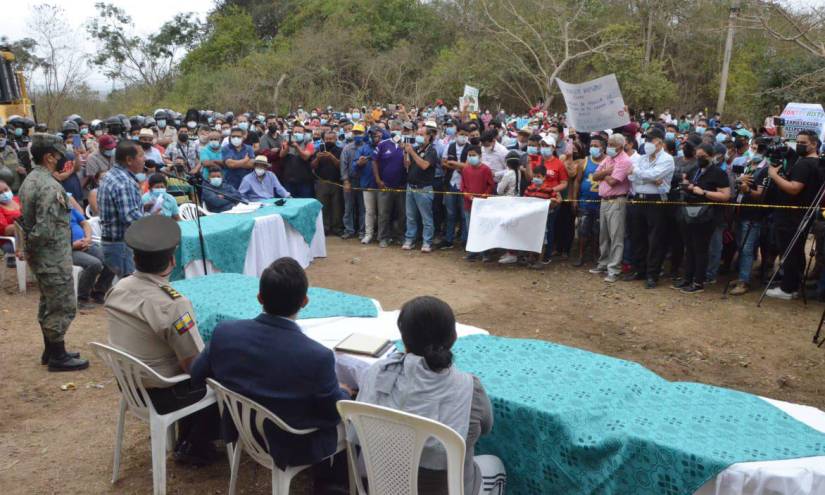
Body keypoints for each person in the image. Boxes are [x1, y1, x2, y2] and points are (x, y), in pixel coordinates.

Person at [190, 258, 352, 483]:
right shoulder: (317, 356)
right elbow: (333, 413)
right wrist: (344, 392)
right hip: (291, 442)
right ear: (305, 301)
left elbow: (196, 373)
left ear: (259, 298)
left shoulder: (224, 333)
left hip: (242, 429)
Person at [357, 296, 506, 495]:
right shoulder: (470, 388)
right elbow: (487, 427)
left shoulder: (376, 373)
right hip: (448, 489)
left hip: (381, 486)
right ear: (453, 337)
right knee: (494, 464)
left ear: (404, 338)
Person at [106, 216, 219, 465]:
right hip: (164, 392)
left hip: (129, 385)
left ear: (135, 258)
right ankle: (196, 444)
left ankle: (188, 438)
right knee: (222, 376)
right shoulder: (174, 304)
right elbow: (193, 366)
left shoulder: (119, 288)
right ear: (172, 260)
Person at [17, 134, 89, 371]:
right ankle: (58, 356)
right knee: (62, 303)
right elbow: (45, 227)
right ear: (49, 157)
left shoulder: (32, 179)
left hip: (44, 255)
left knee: (48, 301)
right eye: (59, 156)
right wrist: (32, 249)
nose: (62, 159)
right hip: (52, 255)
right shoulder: (49, 186)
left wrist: (29, 249)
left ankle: (52, 349)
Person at [766, 129, 824, 299]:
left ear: (814, 144)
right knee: (796, 251)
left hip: (792, 215)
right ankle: (793, 285)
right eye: (797, 142)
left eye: (803, 143)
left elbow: (794, 188)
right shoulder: (816, 163)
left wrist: (774, 175)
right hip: (802, 213)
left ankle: (787, 288)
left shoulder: (805, 164)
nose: (799, 145)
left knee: (790, 251)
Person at [671, 143, 731, 294]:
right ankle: (687, 278)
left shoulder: (719, 173)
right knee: (689, 248)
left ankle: (698, 282)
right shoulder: (694, 170)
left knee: (701, 249)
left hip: (707, 216)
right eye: (698, 156)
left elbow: (725, 196)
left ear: (711, 156)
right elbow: (688, 183)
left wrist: (703, 192)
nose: (700, 159)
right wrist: (686, 186)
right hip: (689, 213)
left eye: (703, 157)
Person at [625, 127, 675, 288]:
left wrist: (643, 174)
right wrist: (646, 175)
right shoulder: (643, 158)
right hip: (639, 199)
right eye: (646, 140)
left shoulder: (667, 159)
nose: (647, 144)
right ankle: (639, 270)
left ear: (659, 142)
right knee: (637, 236)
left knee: (655, 239)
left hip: (656, 202)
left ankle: (652, 275)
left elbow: (654, 175)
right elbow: (632, 177)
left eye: (650, 140)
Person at [97, 140, 149, 277]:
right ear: (129, 160)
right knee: (129, 289)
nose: (145, 159)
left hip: (115, 244)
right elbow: (130, 217)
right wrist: (152, 225)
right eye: (141, 156)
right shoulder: (124, 182)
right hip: (122, 245)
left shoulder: (113, 174)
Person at [729, 141, 770, 296]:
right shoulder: (747, 165)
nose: (754, 151)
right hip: (739, 211)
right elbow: (736, 183)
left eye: (757, 149)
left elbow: (760, 195)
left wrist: (746, 189)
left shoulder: (765, 170)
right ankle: (741, 275)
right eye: (752, 148)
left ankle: (744, 281)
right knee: (740, 245)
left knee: (747, 248)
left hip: (753, 215)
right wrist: (739, 182)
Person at [590, 134, 631, 282]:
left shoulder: (624, 161)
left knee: (616, 236)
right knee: (604, 234)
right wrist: (607, 172)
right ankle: (603, 263)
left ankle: (614, 269)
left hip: (617, 201)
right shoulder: (608, 158)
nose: (609, 147)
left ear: (620, 146)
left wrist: (604, 174)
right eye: (609, 144)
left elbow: (614, 182)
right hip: (604, 200)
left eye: (612, 144)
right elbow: (594, 176)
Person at [403, 125, 440, 252]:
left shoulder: (432, 151)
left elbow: (424, 165)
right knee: (411, 216)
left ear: (429, 136)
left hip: (424, 189)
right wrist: (406, 153)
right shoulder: (416, 148)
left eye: (422, 134)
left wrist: (411, 153)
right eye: (417, 134)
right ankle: (410, 239)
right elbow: (406, 164)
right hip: (410, 187)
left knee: (426, 218)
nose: (419, 136)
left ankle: (427, 242)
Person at [69, 207, 113, 305]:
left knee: (112, 259)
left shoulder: (71, 210)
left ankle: (99, 291)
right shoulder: (51, 216)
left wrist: (88, 238)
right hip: (67, 250)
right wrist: (72, 245)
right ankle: (82, 297)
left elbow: (85, 223)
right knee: (94, 264)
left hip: (85, 243)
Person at [572, 135, 605, 267]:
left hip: (601, 203)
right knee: (582, 230)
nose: (593, 148)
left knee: (597, 231)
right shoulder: (584, 162)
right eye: (591, 145)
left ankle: (595, 255)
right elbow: (577, 181)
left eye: (596, 146)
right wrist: (574, 200)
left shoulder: (608, 162)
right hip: (585, 202)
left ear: (603, 148)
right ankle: (581, 255)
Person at [373, 122, 407, 248]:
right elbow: (374, 162)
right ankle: (383, 237)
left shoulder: (407, 145)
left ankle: (400, 236)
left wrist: (405, 150)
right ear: (390, 130)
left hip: (401, 186)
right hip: (385, 185)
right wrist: (378, 179)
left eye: (399, 128)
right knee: (383, 213)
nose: (397, 130)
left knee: (402, 214)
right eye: (394, 128)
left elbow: (408, 164)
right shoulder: (383, 144)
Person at [312, 131, 344, 236]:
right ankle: (324, 228)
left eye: (331, 139)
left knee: (337, 207)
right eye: (327, 139)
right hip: (322, 183)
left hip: (336, 183)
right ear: (323, 140)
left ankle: (337, 228)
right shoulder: (318, 150)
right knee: (323, 207)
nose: (329, 141)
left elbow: (341, 166)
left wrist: (331, 157)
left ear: (336, 139)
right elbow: (312, 166)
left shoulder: (340, 150)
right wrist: (317, 158)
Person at [279, 123, 315, 198]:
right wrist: (287, 146)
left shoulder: (308, 144)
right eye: (295, 132)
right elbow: (281, 155)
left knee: (304, 203)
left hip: (304, 181)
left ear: (304, 133)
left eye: (300, 132)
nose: (297, 134)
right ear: (292, 133)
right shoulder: (286, 142)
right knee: (290, 203)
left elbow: (306, 157)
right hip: (289, 180)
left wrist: (297, 147)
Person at [0, 179, 21, 267]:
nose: (5, 194)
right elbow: (5, 231)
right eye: (0, 193)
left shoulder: (17, 199)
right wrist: (23, 223)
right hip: (10, 241)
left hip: (26, 235)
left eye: (6, 189)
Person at [0, 127, 26, 193]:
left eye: (2, 136)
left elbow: (20, 165)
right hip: (2, 194)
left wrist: (23, 173)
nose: (0, 138)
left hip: (17, 190)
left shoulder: (11, 150)